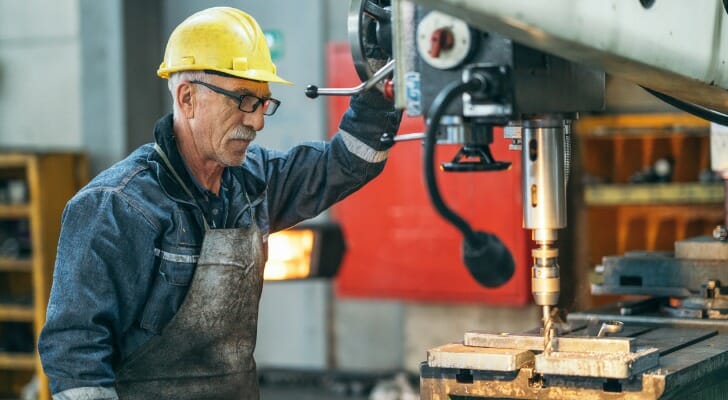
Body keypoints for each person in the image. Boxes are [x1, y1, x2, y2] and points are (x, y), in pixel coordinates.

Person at [38, 7, 400, 400]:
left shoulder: (254, 181)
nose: (258, 122)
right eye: (244, 100)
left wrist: (382, 78)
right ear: (188, 98)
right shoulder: (116, 207)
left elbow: (347, 163)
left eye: (264, 103)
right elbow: (75, 352)